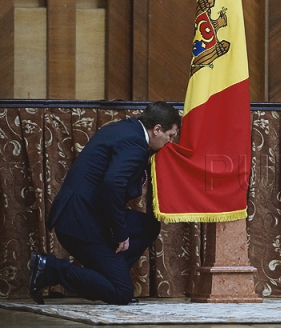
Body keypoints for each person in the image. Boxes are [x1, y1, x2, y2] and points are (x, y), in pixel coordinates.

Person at [29, 101, 181, 305]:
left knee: (148, 226)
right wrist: (120, 233)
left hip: (82, 214)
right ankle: (51, 268)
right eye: (170, 136)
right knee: (121, 294)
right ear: (157, 130)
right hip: (80, 223)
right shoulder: (135, 144)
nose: (170, 142)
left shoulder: (126, 129)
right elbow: (113, 185)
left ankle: (108, 277)